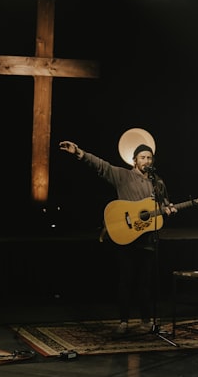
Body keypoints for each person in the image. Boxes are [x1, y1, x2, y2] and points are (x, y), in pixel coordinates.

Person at [59, 140, 176, 335]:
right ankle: (124, 321)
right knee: (126, 280)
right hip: (126, 237)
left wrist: (168, 209)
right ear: (134, 160)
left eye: (149, 158)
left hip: (147, 239)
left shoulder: (158, 182)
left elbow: (164, 204)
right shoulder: (123, 176)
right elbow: (101, 166)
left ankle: (147, 320)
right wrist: (79, 152)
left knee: (145, 282)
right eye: (142, 157)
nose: (146, 161)